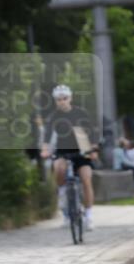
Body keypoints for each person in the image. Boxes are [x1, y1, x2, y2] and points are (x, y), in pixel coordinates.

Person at [41, 84, 99, 231]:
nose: (62, 101)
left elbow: (91, 131)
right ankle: (62, 195)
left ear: (70, 98)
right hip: (63, 149)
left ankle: (89, 216)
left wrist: (93, 148)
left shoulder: (80, 113)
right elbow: (47, 133)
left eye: (65, 98)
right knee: (59, 168)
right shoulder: (54, 116)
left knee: (86, 179)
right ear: (55, 101)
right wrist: (45, 148)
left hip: (82, 148)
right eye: (59, 99)